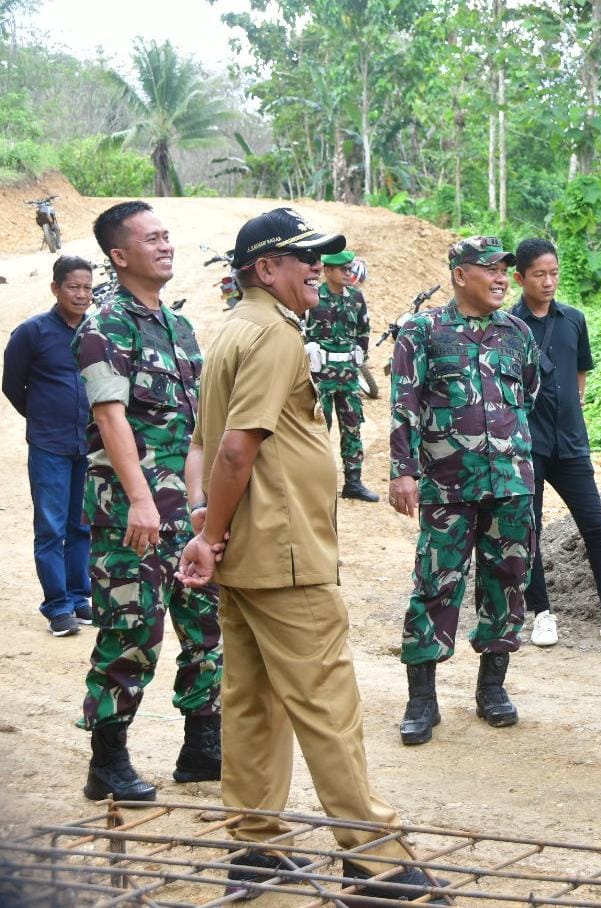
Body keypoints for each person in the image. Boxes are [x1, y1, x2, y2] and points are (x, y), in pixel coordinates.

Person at [176, 208, 445, 901]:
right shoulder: (272, 335)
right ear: (266, 269)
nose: (319, 274)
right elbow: (237, 446)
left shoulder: (232, 328)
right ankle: (375, 859)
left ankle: (255, 846)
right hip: (284, 550)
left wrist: (206, 525)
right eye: (306, 261)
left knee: (252, 701)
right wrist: (207, 534)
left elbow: (204, 446)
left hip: (247, 548)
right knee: (325, 699)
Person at [73, 201, 223, 801]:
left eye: (168, 236)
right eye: (151, 238)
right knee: (132, 629)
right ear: (119, 254)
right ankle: (107, 762)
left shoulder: (179, 328)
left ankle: (201, 747)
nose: (166, 245)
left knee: (206, 623)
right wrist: (141, 500)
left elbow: (196, 430)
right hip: (130, 511)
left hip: (184, 510)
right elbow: (110, 417)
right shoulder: (104, 327)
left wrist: (201, 504)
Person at [389, 235, 540, 747]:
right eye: (490, 269)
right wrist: (402, 470)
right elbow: (405, 403)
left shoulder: (518, 332)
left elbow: (530, 393)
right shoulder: (423, 330)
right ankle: (422, 699)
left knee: (508, 578)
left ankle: (492, 688)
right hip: (447, 483)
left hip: (511, 482)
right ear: (460, 275)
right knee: (436, 582)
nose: (502, 278)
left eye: (505, 270)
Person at [508, 238, 601, 651]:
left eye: (554, 273)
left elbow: (578, 377)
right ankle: (541, 614)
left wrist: (567, 418)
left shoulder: (573, 319)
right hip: (529, 445)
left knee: (595, 526)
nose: (549, 281)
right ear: (520, 278)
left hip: (570, 444)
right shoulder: (508, 326)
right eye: (539, 274)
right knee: (531, 527)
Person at [4, 255, 94, 637]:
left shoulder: (96, 330)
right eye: (73, 286)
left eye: (88, 287)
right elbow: (11, 384)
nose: (81, 294)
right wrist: (41, 417)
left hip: (89, 443)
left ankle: (79, 597)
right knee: (51, 527)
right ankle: (57, 607)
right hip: (49, 445)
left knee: (82, 525)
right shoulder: (32, 332)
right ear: (55, 288)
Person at [305, 248, 378, 502]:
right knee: (318, 428)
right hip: (320, 375)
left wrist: (360, 352)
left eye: (350, 269)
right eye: (343, 270)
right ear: (327, 271)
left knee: (352, 427)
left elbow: (364, 329)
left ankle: (353, 482)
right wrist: (306, 349)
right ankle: (316, 484)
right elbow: (299, 328)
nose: (349, 273)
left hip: (347, 374)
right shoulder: (313, 297)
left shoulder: (356, 298)